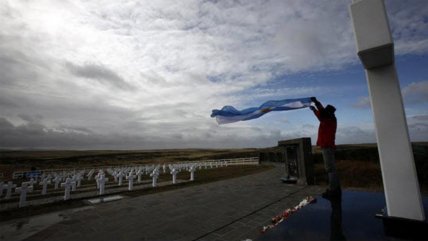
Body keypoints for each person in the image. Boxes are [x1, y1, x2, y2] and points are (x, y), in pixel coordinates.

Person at [310, 97, 341, 199]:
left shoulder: (328, 119)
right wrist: (314, 109)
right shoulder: (330, 119)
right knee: (332, 169)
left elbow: (321, 112)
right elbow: (320, 115)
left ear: (328, 112)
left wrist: (316, 102)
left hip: (327, 146)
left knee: (330, 169)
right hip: (328, 146)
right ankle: (336, 188)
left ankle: (333, 191)